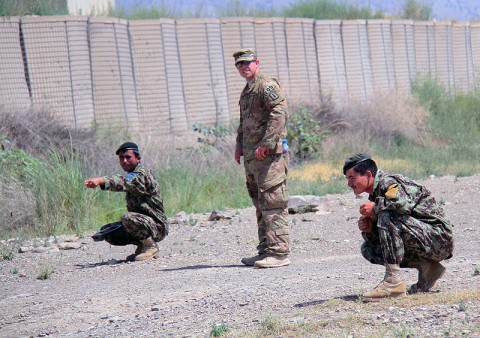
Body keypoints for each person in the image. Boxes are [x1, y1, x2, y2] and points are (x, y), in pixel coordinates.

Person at [343, 153, 454, 301]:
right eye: (347, 179)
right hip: (425, 239)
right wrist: (370, 229)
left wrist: (376, 208)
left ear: (368, 174)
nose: (349, 184)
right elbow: (392, 234)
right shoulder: (376, 193)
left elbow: (401, 205)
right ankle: (428, 267)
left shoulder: (388, 182)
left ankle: (393, 283)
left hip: (439, 239)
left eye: (352, 178)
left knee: (386, 214)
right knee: (369, 248)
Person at [233, 48, 290, 268]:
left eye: (247, 63)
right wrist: (239, 146)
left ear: (257, 63)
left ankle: (279, 253)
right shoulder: (247, 90)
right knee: (260, 203)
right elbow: (244, 123)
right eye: (239, 64)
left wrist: (267, 143)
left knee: (273, 202)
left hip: (269, 157)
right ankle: (266, 249)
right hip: (252, 157)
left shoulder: (266, 85)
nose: (243, 67)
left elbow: (279, 111)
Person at [85, 142, 168, 262]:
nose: (124, 161)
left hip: (157, 226)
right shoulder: (132, 174)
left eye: (128, 157)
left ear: (138, 158)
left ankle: (151, 246)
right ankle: (142, 245)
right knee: (109, 230)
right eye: (121, 158)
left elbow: (124, 181)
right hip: (145, 223)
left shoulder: (142, 175)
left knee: (128, 218)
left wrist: (101, 180)